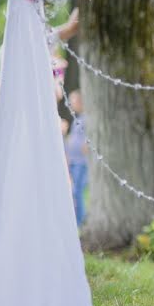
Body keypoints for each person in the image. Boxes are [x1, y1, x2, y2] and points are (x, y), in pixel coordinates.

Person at [64, 90, 89, 226]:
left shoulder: (86, 119)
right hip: (74, 161)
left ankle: (81, 221)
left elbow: (87, 139)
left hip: (81, 162)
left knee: (78, 190)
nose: (69, 104)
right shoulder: (77, 120)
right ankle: (77, 219)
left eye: (72, 101)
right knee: (74, 191)